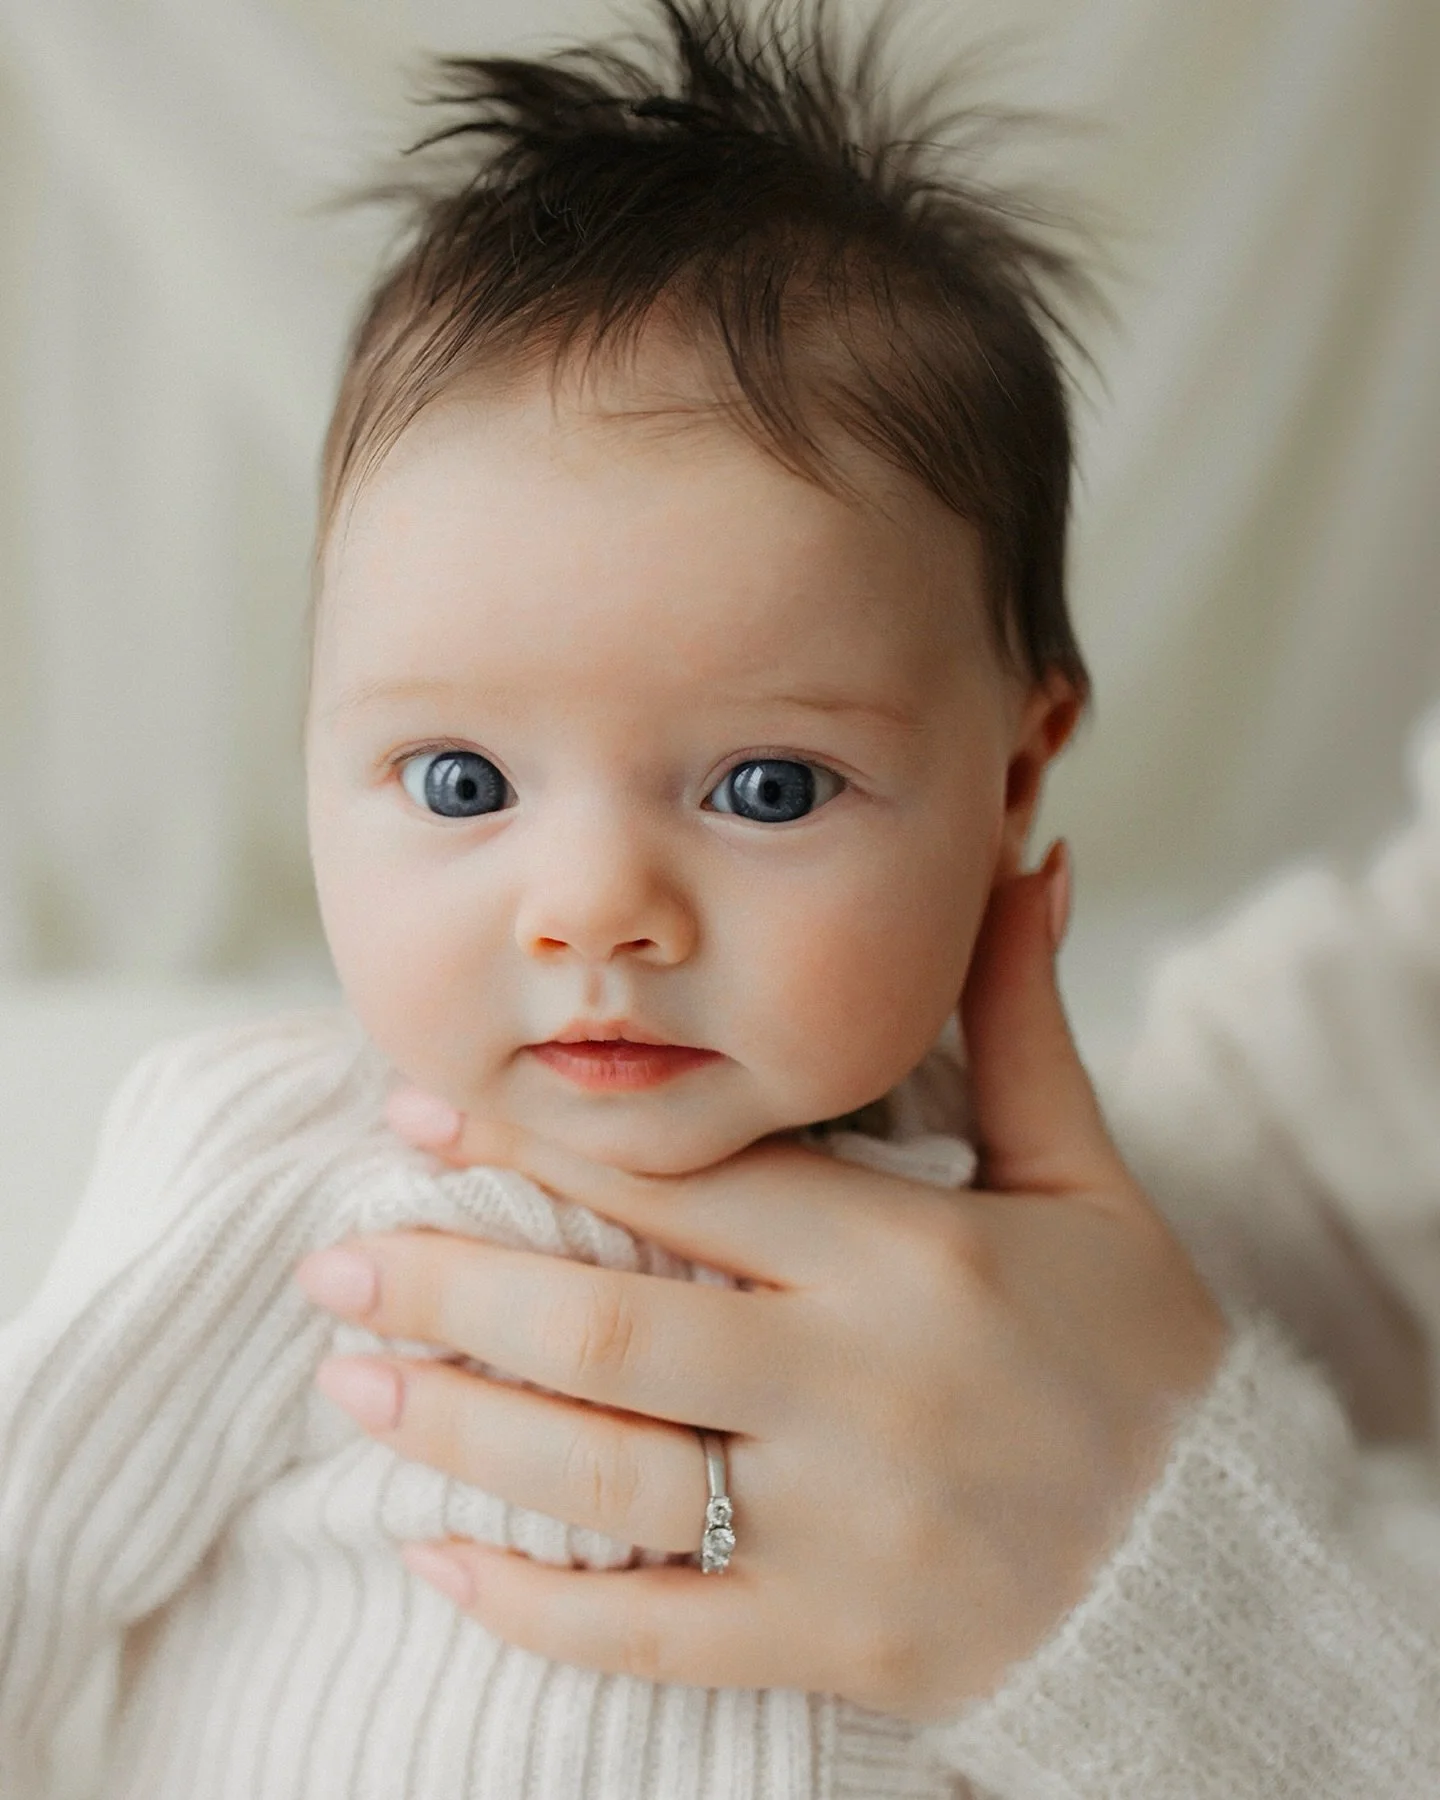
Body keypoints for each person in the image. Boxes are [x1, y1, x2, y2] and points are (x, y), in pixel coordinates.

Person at [0, 1, 1420, 1794]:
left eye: (768, 789)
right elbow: (30, 1560)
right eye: (460, 783)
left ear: (1015, 774)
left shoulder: (1053, 1262)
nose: (594, 912)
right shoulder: (282, 1184)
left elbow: (1229, 1565)